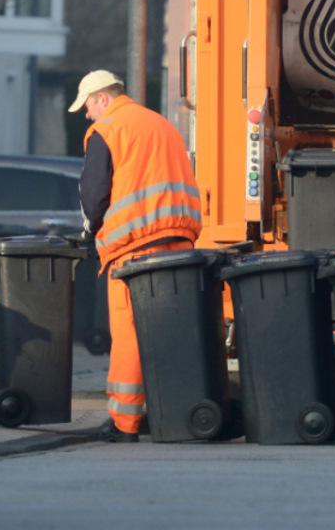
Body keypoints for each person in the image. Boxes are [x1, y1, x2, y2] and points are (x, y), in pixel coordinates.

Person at [70, 70, 203, 442]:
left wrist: (90, 230)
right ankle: (179, 415)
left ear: (102, 98)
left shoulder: (107, 130)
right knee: (172, 332)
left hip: (134, 247)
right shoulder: (160, 124)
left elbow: (94, 195)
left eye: (87, 106)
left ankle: (124, 422)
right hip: (179, 241)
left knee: (129, 332)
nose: (86, 115)